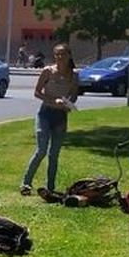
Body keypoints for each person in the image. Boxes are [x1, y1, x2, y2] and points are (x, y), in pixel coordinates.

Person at [20, 43, 77, 194]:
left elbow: (74, 95)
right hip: (45, 114)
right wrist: (53, 101)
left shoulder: (74, 75)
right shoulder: (48, 71)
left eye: (63, 54)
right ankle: (26, 183)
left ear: (69, 56)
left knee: (54, 155)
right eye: (57, 54)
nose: (60, 57)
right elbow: (37, 92)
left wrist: (68, 103)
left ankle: (50, 188)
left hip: (61, 117)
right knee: (41, 150)